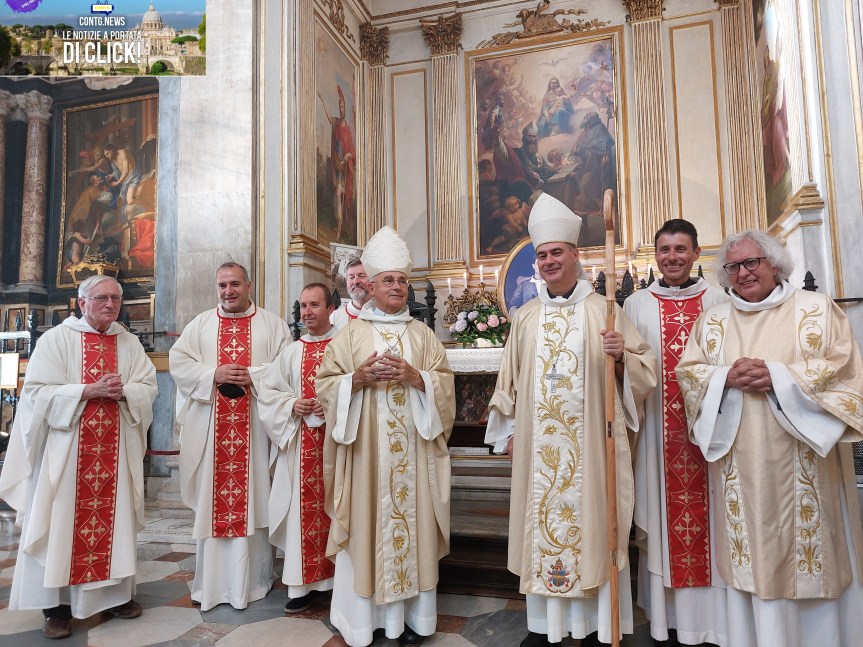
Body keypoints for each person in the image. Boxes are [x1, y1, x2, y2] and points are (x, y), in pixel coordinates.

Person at [676, 230, 863, 647]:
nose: (743, 273)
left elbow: (845, 371)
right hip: (741, 466)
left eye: (751, 263)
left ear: (774, 263)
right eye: (733, 267)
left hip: (805, 461)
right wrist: (725, 377)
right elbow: (690, 374)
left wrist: (778, 377)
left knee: (813, 556)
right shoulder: (714, 322)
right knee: (752, 558)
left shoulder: (815, 310)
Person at [485, 193, 656, 647]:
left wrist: (622, 360)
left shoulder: (604, 310)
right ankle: (547, 628)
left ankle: (598, 625)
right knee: (542, 530)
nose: (548, 261)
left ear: (576, 256)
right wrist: (509, 435)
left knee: (595, 533)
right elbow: (509, 383)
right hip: (539, 453)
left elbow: (644, 374)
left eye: (556, 252)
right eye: (541, 255)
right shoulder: (526, 318)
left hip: (591, 455)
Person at [316, 226, 455, 647]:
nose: (396, 286)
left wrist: (419, 378)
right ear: (370, 286)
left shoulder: (422, 335)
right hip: (366, 461)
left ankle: (414, 619)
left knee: (412, 528)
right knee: (365, 525)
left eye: (401, 280)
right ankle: (363, 621)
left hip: (415, 456)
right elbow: (326, 386)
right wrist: (354, 381)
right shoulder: (351, 335)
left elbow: (445, 387)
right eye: (387, 280)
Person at [0, 276, 157, 640]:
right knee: (60, 525)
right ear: (81, 302)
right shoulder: (56, 340)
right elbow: (37, 395)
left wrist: (125, 392)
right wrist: (87, 390)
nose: (109, 304)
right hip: (66, 456)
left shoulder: (129, 343)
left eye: (115, 298)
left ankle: (114, 597)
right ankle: (57, 608)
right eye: (101, 298)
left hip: (114, 455)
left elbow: (148, 387)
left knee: (113, 523)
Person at [623, 219, 729, 646]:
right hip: (657, 437)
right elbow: (630, 370)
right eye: (664, 250)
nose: (672, 258)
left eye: (681, 249)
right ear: (655, 254)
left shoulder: (720, 300)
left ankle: (712, 621)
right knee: (663, 525)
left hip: (709, 433)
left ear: (696, 253)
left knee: (714, 524)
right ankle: (667, 622)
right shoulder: (636, 305)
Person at [170, 262, 291, 611]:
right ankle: (213, 584)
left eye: (235, 284)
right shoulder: (201, 325)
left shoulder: (273, 325)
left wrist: (251, 375)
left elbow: (287, 367)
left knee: (255, 499)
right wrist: (214, 373)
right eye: (222, 285)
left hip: (255, 431)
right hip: (213, 430)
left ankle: (255, 581)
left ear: (249, 285)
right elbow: (180, 363)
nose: (228, 291)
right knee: (214, 502)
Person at [258, 283, 337, 613]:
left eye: (314, 305)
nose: (307, 312)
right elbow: (269, 395)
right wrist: (293, 404)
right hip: (301, 445)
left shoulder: (346, 345)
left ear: (331, 308)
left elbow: (357, 390)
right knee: (301, 512)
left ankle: (338, 583)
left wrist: (331, 405)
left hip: (338, 447)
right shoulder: (291, 352)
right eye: (303, 306)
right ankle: (303, 584)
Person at [318, 86, 356, 242]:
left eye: (342, 107)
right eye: (339, 106)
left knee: (340, 195)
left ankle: (340, 229)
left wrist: (347, 156)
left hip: (344, 169)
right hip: (336, 166)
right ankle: (338, 224)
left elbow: (352, 150)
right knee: (337, 196)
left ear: (345, 108)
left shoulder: (347, 128)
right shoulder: (336, 122)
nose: (341, 109)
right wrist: (322, 100)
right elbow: (328, 117)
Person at [331, 258, 371, 329]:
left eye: (362, 276)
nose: (356, 281)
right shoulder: (334, 318)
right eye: (351, 277)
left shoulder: (384, 316)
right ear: (346, 282)